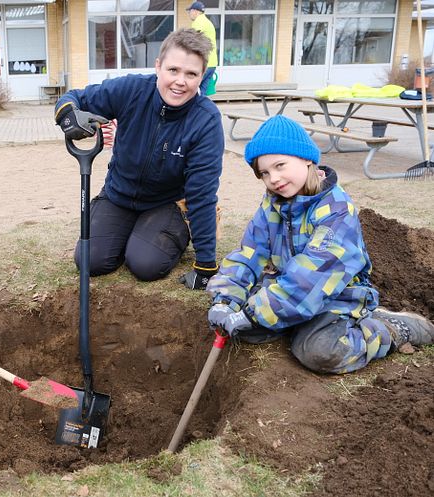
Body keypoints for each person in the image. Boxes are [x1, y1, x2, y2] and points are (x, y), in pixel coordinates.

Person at [206, 115, 434, 374]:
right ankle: (291, 320)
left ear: (307, 159)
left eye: (280, 165)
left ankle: (390, 328)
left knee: (319, 351)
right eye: (265, 173)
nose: (274, 178)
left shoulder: (336, 210)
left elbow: (311, 278)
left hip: (336, 296)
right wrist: (225, 301)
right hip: (292, 290)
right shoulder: (273, 204)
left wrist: (253, 313)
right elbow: (248, 254)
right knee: (243, 329)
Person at [54, 28, 223, 287]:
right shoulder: (132, 89)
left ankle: (157, 235)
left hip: (165, 203)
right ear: (158, 66)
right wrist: (68, 116)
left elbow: (202, 194)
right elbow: (74, 98)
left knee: (146, 265)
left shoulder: (206, 120)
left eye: (192, 74)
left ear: (202, 77)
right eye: (173, 70)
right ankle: (129, 233)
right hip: (118, 196)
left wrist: (206, 265)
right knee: (90, 261)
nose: (181, 81)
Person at [188, 2, 218, 96]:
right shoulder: (207, 22)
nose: (189, 14)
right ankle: (202, 109)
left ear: (195, 11)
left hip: (204, 64)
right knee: (203, 92)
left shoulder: (199, 22)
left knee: (191, 88)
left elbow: (192, 40)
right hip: (212, 63)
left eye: (190, 11)